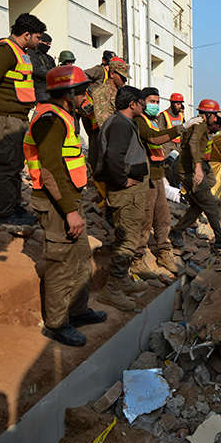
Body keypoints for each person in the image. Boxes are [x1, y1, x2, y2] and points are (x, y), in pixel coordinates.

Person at [23, 65, 107, 346]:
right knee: (60, 263)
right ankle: (57, 324)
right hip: (56, 204)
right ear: (69, 94)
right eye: (83, 92)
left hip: (70, 199)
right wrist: (70, 211)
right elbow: (50, 171)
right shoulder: (49, 119)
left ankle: (78, 310)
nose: (86, 98)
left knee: (82, 257)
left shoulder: (64, 117)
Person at [0, 12, 46, 227]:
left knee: (14, 166)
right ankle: (6, 212)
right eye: (38, 36)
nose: (40, 41)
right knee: (6, 166)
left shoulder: (20, 52)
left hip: (16, 117)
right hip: (4, 118)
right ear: (26, 34)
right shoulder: (4, 50)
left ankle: (15, 206)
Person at [92, 86, 151, 311]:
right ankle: (112, 289)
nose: (144, 107)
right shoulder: (120, 124)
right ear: (132, 104)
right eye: (141, 103)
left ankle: (123, 280)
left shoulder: (122, 123)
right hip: (126, 193)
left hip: (129, 193)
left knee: (125, 236)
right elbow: (113, 158)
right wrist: (123, 180)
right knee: (127, 239)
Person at [131, 88, 198, 279]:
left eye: (157, 101)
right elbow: (153, 138)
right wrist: (182, 128)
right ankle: (137, 258)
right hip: (147, 176)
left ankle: (163, 253)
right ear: (142, 102)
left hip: (158, 174)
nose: (155, 105)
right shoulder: (140, 121)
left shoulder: (151, 120)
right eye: (151, 101)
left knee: (163, 217)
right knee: (146, 219)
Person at [169, 99, 221, 251]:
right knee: (211, 207)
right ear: (208, 114)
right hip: (190, 172)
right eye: (214, 115)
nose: (215, 119)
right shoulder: (200, 124)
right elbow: (193, 143)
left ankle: (176, 232)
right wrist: (198, 167)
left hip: (187, 170)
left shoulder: (199, 123)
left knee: (197, 207)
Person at [27, 32, 55, 103]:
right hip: (39, 89)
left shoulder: (49, 58)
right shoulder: (31, 53)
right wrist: (50, 75)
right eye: (47, 44)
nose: (48, 46)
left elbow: (55, 70)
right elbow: (35, 69)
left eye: (49, 44)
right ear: (41, 41)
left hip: (50, 90)